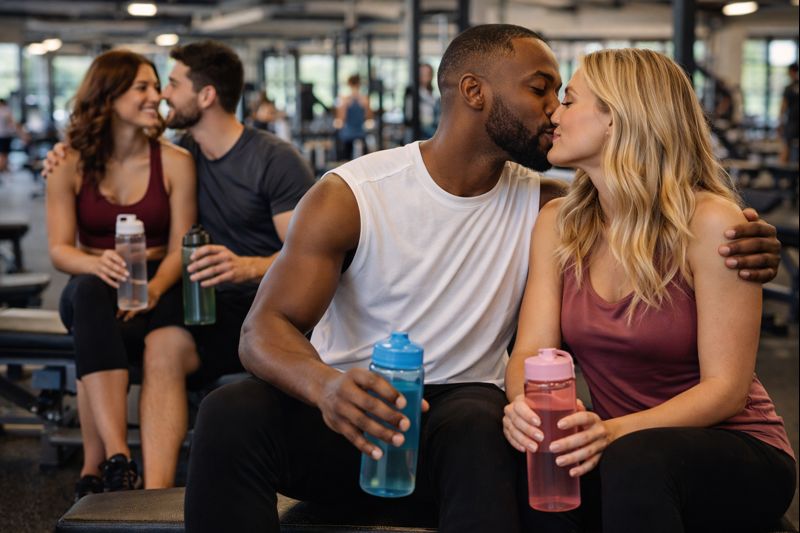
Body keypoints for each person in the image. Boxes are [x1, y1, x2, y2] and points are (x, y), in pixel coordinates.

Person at [184, 25, 781, 533]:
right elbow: (262, 331)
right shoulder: (353, 195)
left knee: (478, 417)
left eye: (564, 97)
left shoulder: (549, 203)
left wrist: (754, 243)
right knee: (229, 408)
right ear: (474, 93)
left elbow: (651, 206)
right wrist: (326, 388)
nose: (553, 110)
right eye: (542, 90)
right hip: (354, 411)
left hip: (463, 423)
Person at [503, 49, 796, 533]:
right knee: (532, 457)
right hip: (625, 446)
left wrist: (611, 430)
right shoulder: (558, 224)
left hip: (733, 446)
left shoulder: (711, 223)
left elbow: (725, 391)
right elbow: (533, 350)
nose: (554, 112)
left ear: (616, 118)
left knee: (634, 461)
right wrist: (525, 410)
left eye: (570, 100)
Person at [44, 41, 316, 490]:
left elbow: (310, 259)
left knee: (152, 339)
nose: (162, 95)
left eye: (169, 84)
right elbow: (118, 149)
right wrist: (63, 151)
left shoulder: (273, 160)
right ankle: (143, 489)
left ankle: (112, 472)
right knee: (134, 327)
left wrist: (246, 267)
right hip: (195, 304)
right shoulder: (183, 149)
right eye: (151, 86)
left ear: (205, 96)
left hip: (255, 310)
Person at [46, 50, 197, 500]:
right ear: (108, 97)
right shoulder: (68, 163)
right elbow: (58, 249)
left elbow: (181, 249)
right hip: (94, 277)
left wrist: (151, 289)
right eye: (143, 88)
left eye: (157, 86)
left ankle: (100, 467)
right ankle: (117, 457)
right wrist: (95, 263)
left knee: (100, 334)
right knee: (89, 295)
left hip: (159, 280)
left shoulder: (174, 162)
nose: (156, 97)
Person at [335, 74, 373, 160]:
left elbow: (341, 119)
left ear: (349, 84)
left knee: (346, 161)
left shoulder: (362, 99)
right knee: (362, 160)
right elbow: (369, 117)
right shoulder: (362, 99)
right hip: (354, 134)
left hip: (353, 134)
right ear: (359, 84)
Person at [404, 62, 440, 141]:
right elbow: (409, 117)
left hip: (432, 128)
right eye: (423, 73)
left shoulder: (433, 95)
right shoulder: (413, 92)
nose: (426, 76)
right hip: (421, 131)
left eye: (428, 73)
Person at [778, 63, 798, 164]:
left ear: (791, 72)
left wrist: (780, 122)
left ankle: (781, 174)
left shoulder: (789, 88)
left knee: (786, 148)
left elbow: (783, 106)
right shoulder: (789, 87)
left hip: (792, 122)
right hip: (793, 121)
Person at [0, 97, 18, 173]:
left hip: (3, 135)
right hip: (4, 136)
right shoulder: (5, 110)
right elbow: (13, 123)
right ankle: (2, 170)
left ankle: (4, 169)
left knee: (3, 155)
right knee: (3, 155)